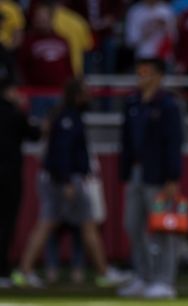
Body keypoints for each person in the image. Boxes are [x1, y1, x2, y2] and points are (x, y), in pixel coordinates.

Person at [12, 78, 124, 288]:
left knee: (52, 225)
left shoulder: (67, 116)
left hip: (62, 178)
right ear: (76, 95)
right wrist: (66, 181)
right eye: (85, 92)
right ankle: (103, 272)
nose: (89, 96)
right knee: (81, 225)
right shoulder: (68, 118)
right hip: (65, 179)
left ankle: (24, 270)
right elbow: (61, 152)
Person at [118, 57, 184, 299]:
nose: (140, 77)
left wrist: (172, 177)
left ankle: (164, 280)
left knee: (163, 228)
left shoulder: (167, 105)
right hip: (136, 171)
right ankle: (143, 276)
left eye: (145, 72)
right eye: (138, 72)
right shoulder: (133, 102)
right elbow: (126, 140)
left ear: (158, 76)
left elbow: (174, 143)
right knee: (133, 225)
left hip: (158, 174)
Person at [0, 80, 40, 288]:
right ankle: (2, 271)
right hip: (8, 176)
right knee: (6, 223)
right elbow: (34, 134)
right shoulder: (14, 114)